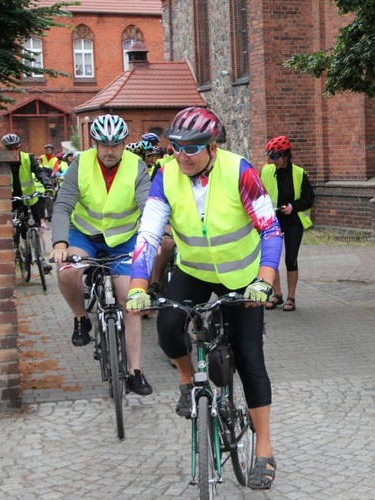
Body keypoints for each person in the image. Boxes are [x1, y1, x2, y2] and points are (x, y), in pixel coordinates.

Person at [125, 107, 282, 490]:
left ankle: (264, 448)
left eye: (192, 148)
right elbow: (148, 236)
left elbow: (271, 229)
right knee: (167, 329)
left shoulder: (239, 171)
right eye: (176, 147)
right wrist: (137, 287)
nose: (182, 155)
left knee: (249, 359)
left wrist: (263, 281)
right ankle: (185, 379)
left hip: (241, 277)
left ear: (212, 146)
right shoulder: (166, 175)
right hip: (194, 271)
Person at [49, 114, 153, 396]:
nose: (109, 151)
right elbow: (62, 206)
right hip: (85, 235)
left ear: (124, 143)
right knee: (68, 271)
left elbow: (147, 206)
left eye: (116, 145)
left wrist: (154, 235)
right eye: (103, 144)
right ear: (93, 142)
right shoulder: (80, 164)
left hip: (123, 239)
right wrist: (59, 243)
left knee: (130, 300)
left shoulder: (136, 166)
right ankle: (81, 318)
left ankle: (135, 371)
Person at [260, 136, 315, 312]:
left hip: (293, 222)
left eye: (275, 156)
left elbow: (309, 199)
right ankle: (277, 294)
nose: (272, 160)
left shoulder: (299, 173)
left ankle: (291, 297)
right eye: (270, 156)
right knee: (272, 259)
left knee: (290, 259)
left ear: (285, 155)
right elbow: (259, 194)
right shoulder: (266, 171)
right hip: (272, 221)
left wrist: (293, 206)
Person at [2, 133, 53, 273]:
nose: (14, 151)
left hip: (30, 199)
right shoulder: (1, 161)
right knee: (11, 227)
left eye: (16, 148)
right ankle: (15, 249)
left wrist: (48, 185)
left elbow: (40, 172)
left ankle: (42, 259)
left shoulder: (27, 158)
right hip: (11, 200)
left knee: (36, 228)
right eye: (10, 149)